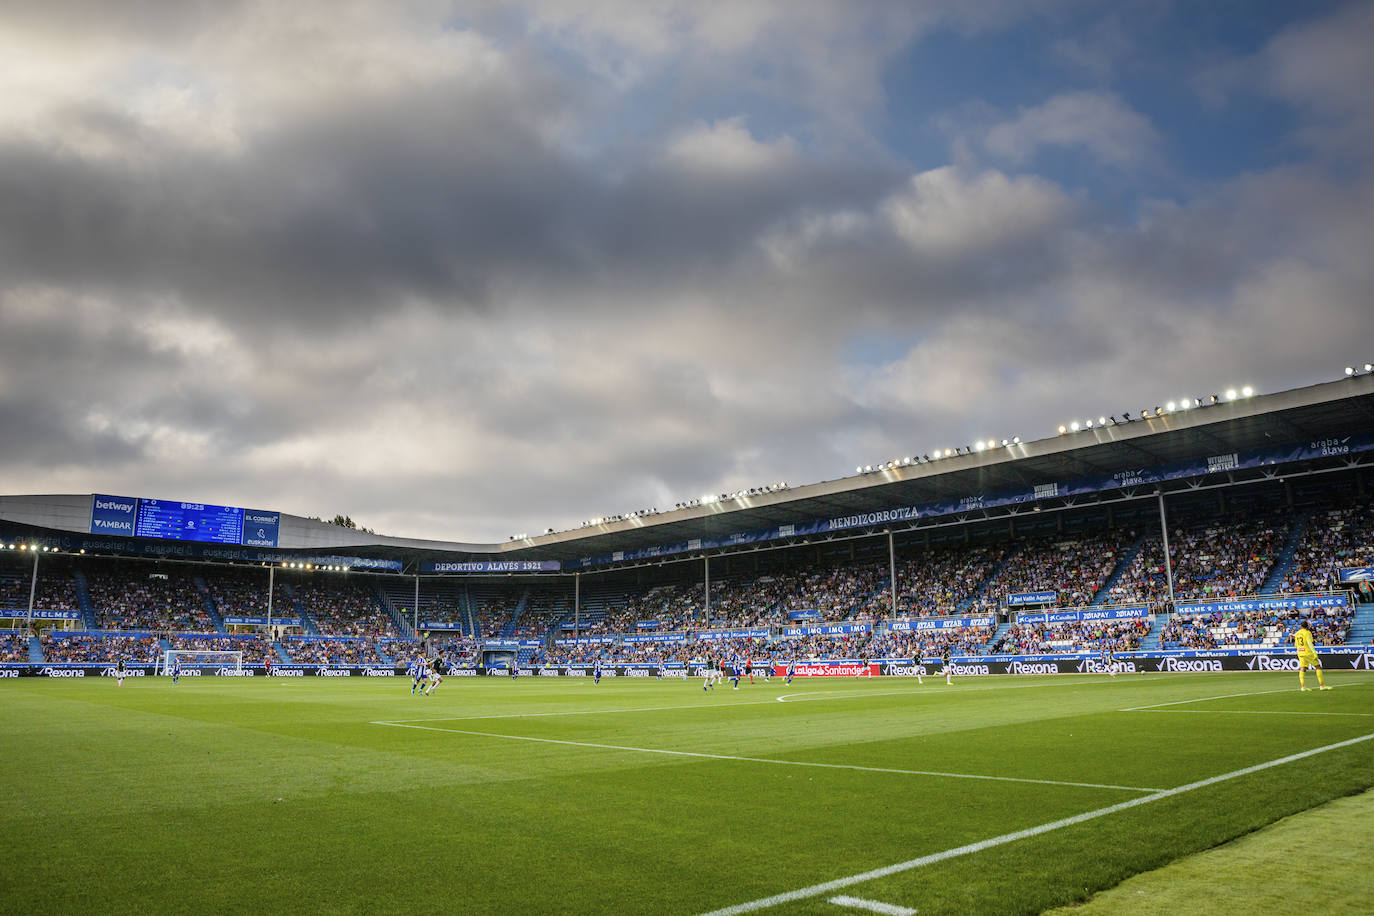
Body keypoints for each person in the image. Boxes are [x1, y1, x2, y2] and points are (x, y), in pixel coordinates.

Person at [1294, 619, 1331, 692]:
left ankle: (1303, 687)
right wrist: (1314, 652)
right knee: (1318, 666)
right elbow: (1309, 643)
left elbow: (1295, 645)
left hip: (1300, 652)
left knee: (1303, 668)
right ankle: (1322, 685)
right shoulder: (1307, 633)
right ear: (1307, 626)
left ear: (1301, 626)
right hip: (1308, 652)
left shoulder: (1297, 633)